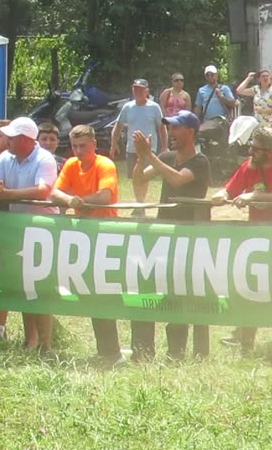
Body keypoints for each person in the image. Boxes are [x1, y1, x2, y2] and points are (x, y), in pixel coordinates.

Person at [212, 127, 272, 352]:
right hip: (256, 238)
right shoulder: (249, 166)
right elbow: (230, 189)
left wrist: (255, 195)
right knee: (250, 289)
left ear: (271, 152)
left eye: (255, 148)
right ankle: (246, 345)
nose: (250, 151)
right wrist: (221, 195)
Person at [130, 111, 211, 360]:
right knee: (149, 290)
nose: (172, 133)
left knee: (184, 295)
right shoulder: (167, 157)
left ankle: (181, 353)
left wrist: (150, 155)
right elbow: (139, 182)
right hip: (164, 236)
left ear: (190, 131)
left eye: (176, 128)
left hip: (191, 238)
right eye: (170, 128)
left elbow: (177, 179)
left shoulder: (200, 162)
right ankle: (143, 351)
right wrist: (141, 158)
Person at [0, 117, 58, 349]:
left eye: (11, 137)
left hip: (43, 229)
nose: (6, 140)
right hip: (16, 229)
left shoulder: (45, 159)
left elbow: (43, 191)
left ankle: (45, 344)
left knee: (40, 288)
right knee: (26, 287)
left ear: (25, 140)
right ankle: (31, 341)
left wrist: (6, 194)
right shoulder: (6, 157)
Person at [51, 124, 121, 362]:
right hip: (83, 236)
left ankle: (112, 351)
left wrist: (80, 202)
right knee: (92, 293)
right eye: (74, 146)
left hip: (106, 234)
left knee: (105, 293)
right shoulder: (71, 164)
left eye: (83, 146)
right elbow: (54, 193)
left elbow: (105, 196)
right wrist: (72, 200)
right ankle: (106, 351)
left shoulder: (105, 164)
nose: (79, 151)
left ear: (94, 145)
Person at [111, 79, 166, 213]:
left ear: (146, 91)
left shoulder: (154, 107)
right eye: (135, 89)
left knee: (143, 176)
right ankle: (139, 202)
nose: (138, 91)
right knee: (135, 177)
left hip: (148, 148)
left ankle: (140, 204)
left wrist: (164, 146)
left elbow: (162, 128)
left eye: (141, 89)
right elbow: (118, 127)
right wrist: (113, 144)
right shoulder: (128, 107)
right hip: (132, 147)